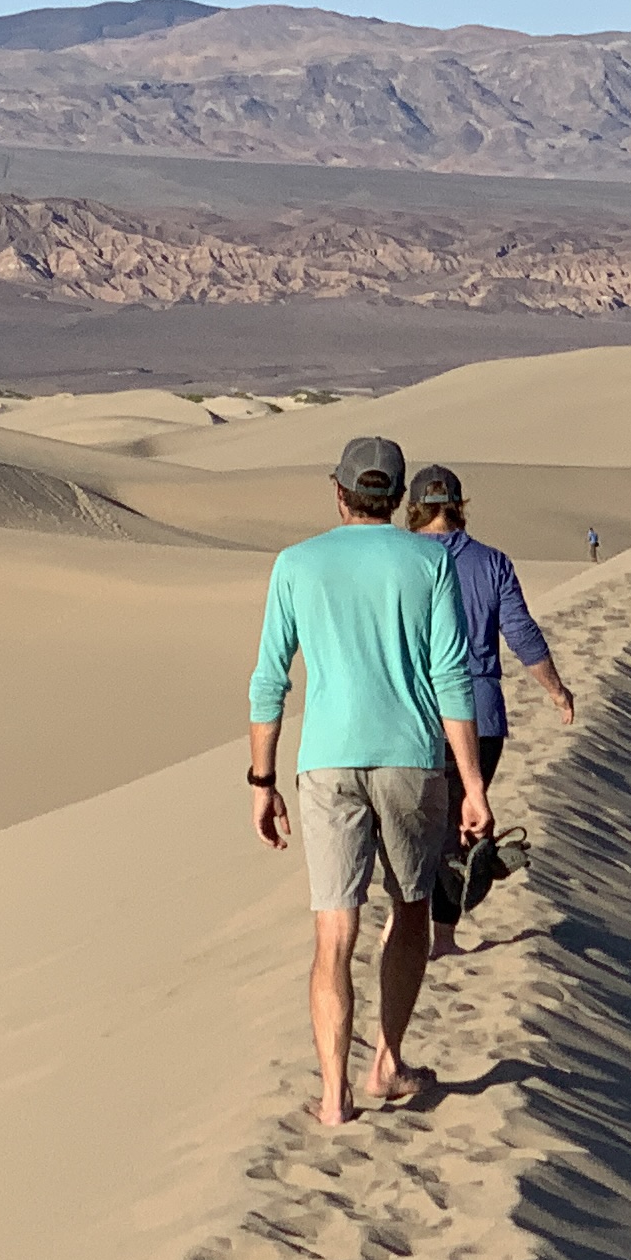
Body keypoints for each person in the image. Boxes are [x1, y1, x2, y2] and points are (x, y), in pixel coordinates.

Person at [246, 435, 491, 1129]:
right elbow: (451, 675)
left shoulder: (296, 564)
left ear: (339, 492)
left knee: (335, 928)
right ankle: (386, 1058)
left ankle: (333, 1096)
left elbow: (270, 678)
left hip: (325, 762)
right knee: (410, 905)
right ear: (399, 498)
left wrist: (261, 778)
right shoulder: (431, 561)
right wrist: (473, 784)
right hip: (413, 759)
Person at [402, 464, 573, 950]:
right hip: (480, 716)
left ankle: (409, 928)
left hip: (416, 712)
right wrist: (556, 690)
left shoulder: (402, 561)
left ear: (414, 508)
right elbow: (520, 632)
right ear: (459, 506)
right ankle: (443, 937)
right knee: (459, 821)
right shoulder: (492, 562)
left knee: (413, 827)